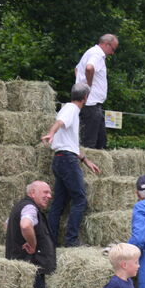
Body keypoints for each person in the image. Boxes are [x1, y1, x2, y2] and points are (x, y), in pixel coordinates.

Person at [42, 83, 101, 247]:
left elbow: (70, 144)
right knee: (80, 199)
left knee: (58, 203)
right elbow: (60, 122)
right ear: (85, 98)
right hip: (67, 161)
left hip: (61, 158)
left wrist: (86, 161)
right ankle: (72, 240)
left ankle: (50, 241)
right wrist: (51, 133)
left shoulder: (70, 109)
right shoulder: (71, 109)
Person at [5, 181, 55, 288]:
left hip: (19, 266)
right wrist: (32, 245)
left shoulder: (19, 206)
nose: (49, 196)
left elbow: (7, 224)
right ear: (32, 193)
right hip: (32, 267)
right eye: (45, 192)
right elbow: (25, 225)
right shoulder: (30, 208)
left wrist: (18, 239)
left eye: (50, 193)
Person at [75, 34, 119, 149]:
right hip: (91, 104)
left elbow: (77, 69)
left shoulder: (90, 52)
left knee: (101, 141)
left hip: (92, 105)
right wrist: (88, 86)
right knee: (90, 143)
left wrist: (80, 85)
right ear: (107, 44)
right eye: (113, 49)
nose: (112, 53)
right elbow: (89, 68)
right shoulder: (97, 54)